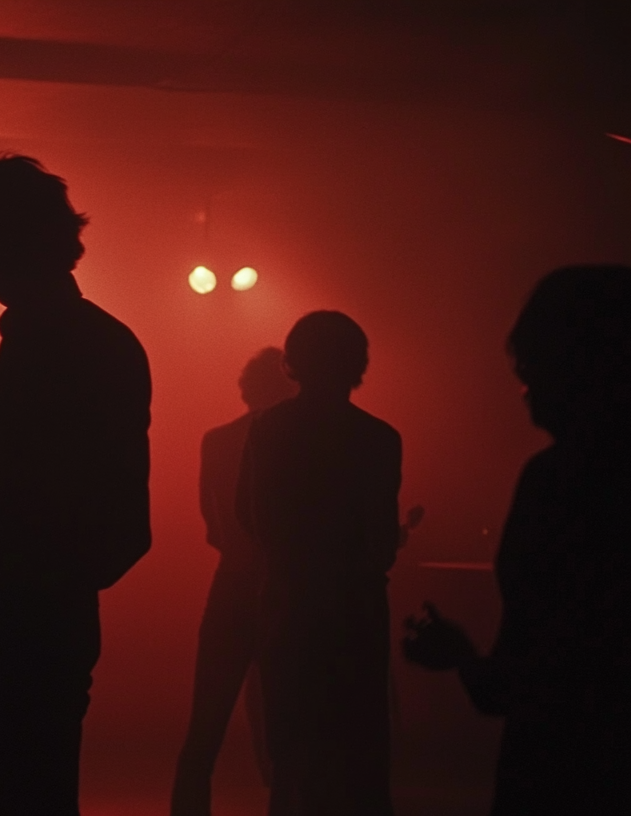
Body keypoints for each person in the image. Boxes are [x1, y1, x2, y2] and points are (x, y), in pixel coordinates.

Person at [0, 155, 153, 816]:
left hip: (13, 621)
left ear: (3, 241)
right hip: (40, 618)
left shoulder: (57, 343)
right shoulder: (92, 339)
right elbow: (123, 523)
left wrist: (4, 584)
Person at [403, 265, 631, 815]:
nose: (523, 385)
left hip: (561, 766)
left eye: (533, 365)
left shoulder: (556, 481)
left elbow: (525, 677)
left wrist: (460, 655)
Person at [236, 311, 401, 816]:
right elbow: (380, 537)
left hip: (290, 604)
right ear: (358, 364)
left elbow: (250, 517)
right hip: (357, 612)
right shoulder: (379, 438)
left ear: (294, 363)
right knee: (360, 752)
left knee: (293, 753)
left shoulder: (268, 431)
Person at [171, 347, 296, 815]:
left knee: (205, 726)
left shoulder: (217, 440)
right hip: (285, 589)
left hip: (231, 587)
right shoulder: (299, 441)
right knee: (285, 728)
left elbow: (211, 527)